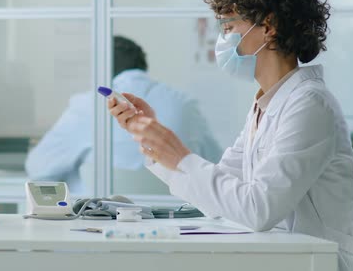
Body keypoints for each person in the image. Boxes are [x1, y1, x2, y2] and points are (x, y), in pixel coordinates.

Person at [109, 0, 353, 271]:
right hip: (281, 258)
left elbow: (258, 210)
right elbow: (217, 198)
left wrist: (180, 154)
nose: (222, 38)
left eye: (229, 25)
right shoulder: (266, 104)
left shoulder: (310, 105)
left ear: (268, 27)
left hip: (313, 263)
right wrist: (151, 139)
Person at [25, 36, 221, 194]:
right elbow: (214, 163)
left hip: (99, 227)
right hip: (175, 226)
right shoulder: (184, 102)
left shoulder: (88, 104)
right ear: (143, 65)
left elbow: (38, 167)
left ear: (100, 68)